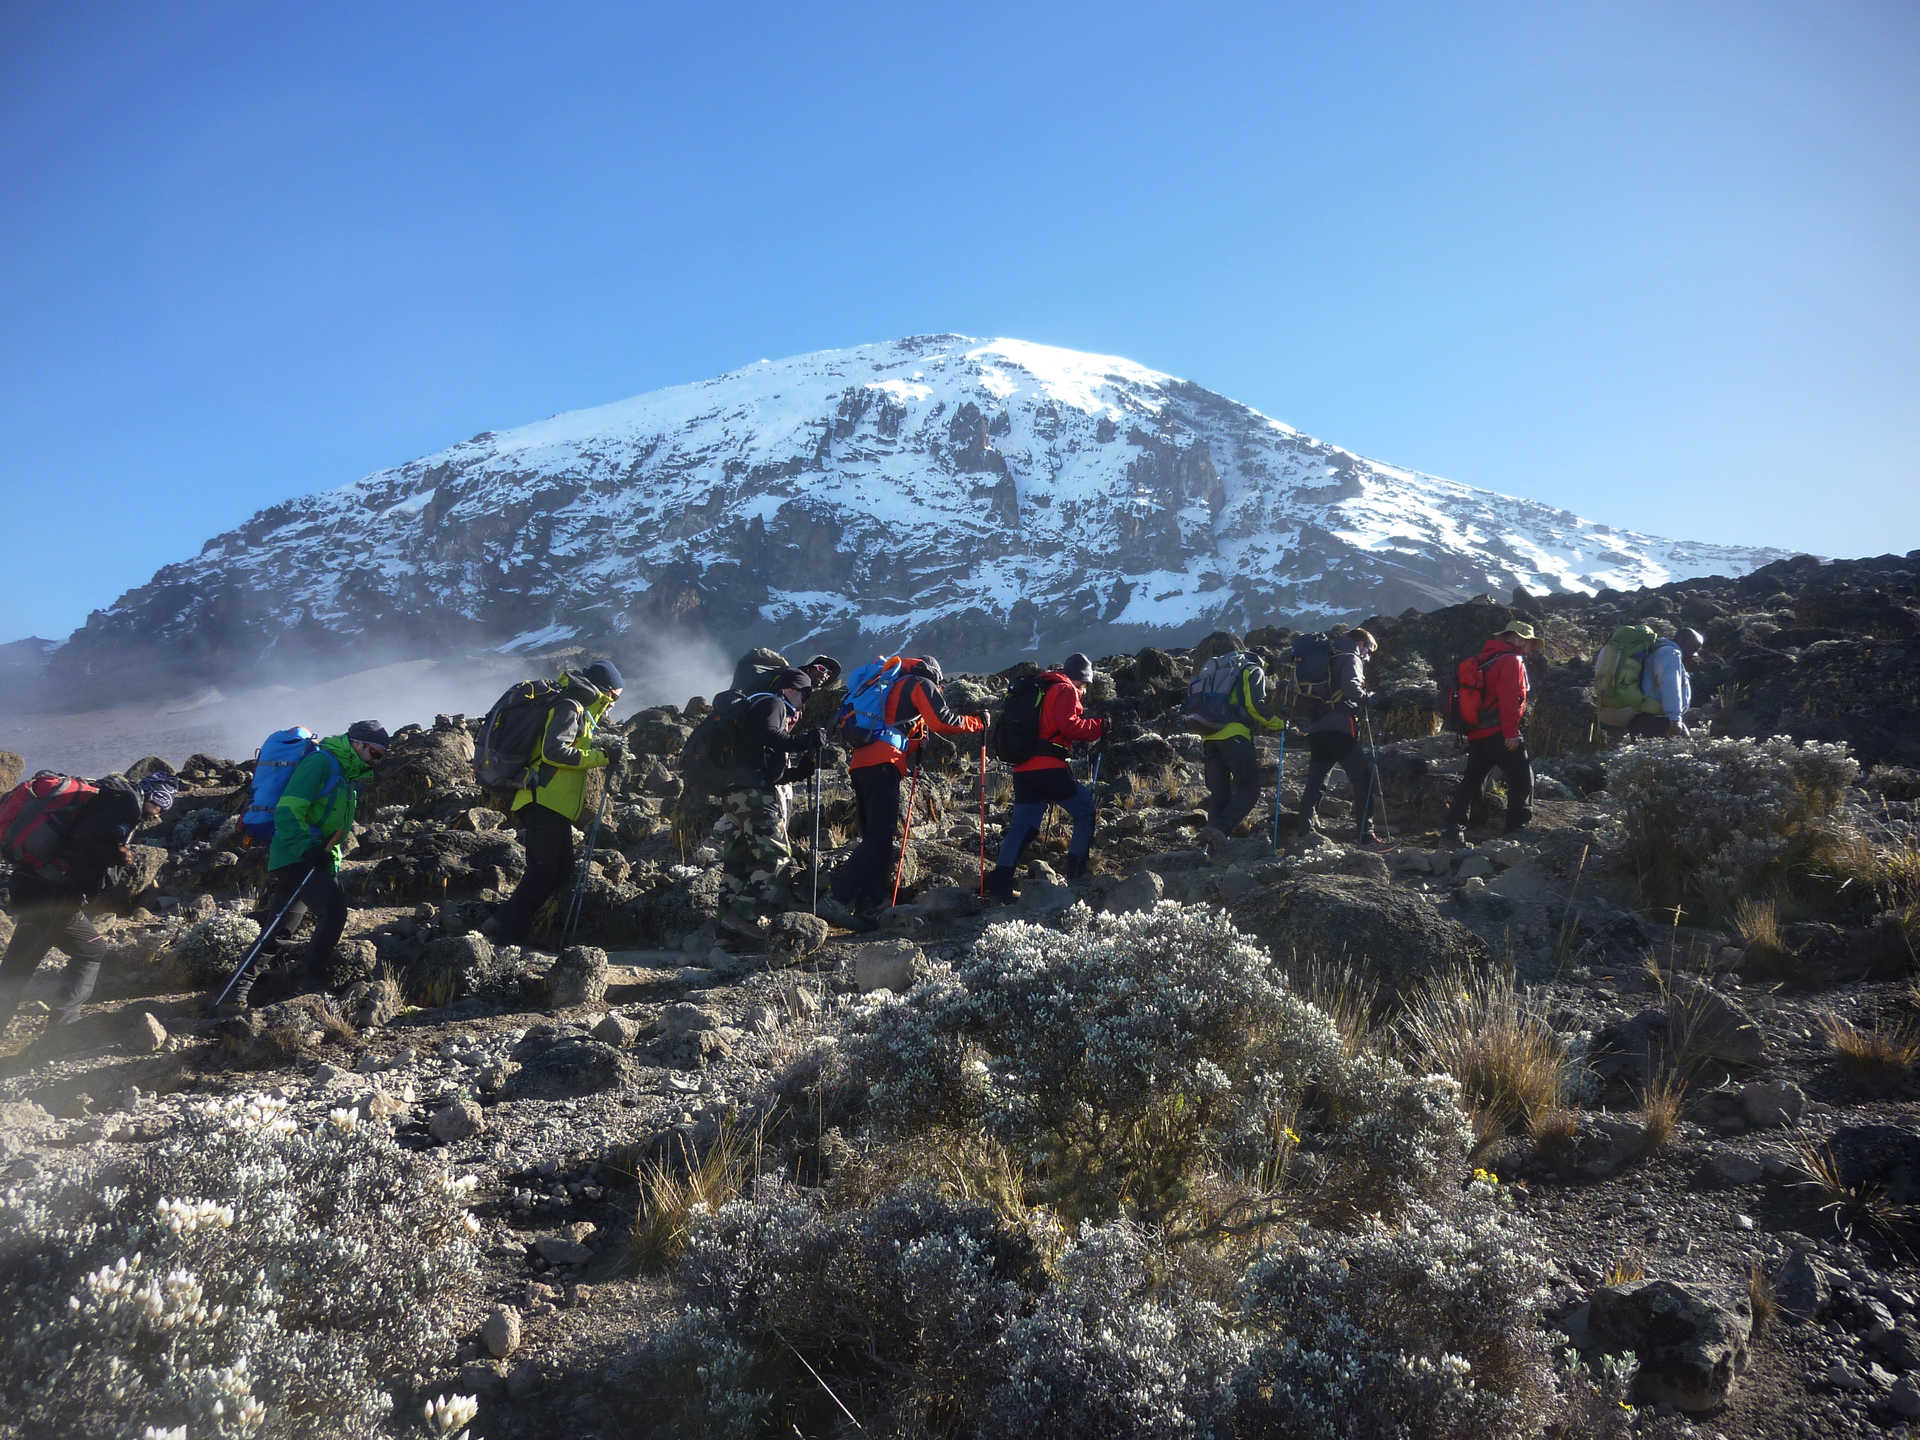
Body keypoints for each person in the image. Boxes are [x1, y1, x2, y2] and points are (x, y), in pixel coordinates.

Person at [221, 722, 389, 1010]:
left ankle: (237, 992)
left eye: (381, 755)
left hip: (313, 856)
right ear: (357, 744)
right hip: (297, 855)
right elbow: (289, 808)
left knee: (281, 926)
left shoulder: (346, 775)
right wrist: (307, 849)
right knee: (334, 910)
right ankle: (309, 981)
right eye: (374, 752)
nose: (376, 760)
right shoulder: (321, 763)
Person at [0, 772, 177, 1037]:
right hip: (55, 897)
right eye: (160, 805)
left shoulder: (107, 796)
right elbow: (91, 844)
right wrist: (120, 856)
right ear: (151, 796)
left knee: (18, 965)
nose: (158, 814)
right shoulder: (126, 805)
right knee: (91, 951)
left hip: (29, 884)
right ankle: (62, 1029)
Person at [828, 656, 984, 927]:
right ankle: (837, 899)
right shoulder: (919, 683)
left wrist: (913, 744)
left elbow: (889, 730)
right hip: (883, 764)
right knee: (879, 838)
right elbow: (943, 721)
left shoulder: (889, 685)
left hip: (861, 762)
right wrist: (978, 722)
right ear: (935, 674)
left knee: (874, 838)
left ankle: (869, 904)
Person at [489, 661, 625, 945]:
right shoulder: (571, 707)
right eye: (615, 695)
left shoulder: (580, 710)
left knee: (558, 871)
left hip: (550, 803)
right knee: (544, 872)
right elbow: (554, 752)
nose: (614, 703)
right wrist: (601, 758)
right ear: (606, 689)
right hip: (543, 799)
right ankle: (506, 938)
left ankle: (507, 925)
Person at [713, 667, 831, 941]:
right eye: (806, 693)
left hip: (735, 794)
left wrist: (798, 772)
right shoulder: (773, 703)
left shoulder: (756, 705)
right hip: (754, 796)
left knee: (738, 861)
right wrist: (805, 741)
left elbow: (766, 762)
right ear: (791, 689)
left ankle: (726, 932)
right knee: (776, 855)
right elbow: (770, 736)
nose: (806, 700)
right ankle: (742, 915)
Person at [985, 652, 1109, 898]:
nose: (1083, 691)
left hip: (1024, 769)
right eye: (1084, 685)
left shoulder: (1041, 688)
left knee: (1024, 826)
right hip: (1049, 769)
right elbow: (1070, 725)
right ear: (1079, 678)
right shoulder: (1065, 690)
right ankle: (1077, 874)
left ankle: (1000, 882)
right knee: (1084, 809)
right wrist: (1100, 726)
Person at [1442, 621, 1535, 845]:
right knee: (1523, 778)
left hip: (1477, 732)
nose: (1530, 646)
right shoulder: (1512, 661)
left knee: (1472, 780)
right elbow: (1510, 699)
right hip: (1500, 732)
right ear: (1518, 639)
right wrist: (1511, 733)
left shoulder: (1484, 659)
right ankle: (1516, 832)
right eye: (1528, 641)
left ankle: (1454, 830)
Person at [1294, 628, 1388, 846]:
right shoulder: (1350, 657)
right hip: (1340, 727)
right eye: (1369, 649)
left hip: (1317, 728)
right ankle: (1366, 835)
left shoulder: (1329, 654)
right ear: (1361, 642)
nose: (1369, 655)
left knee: (1316, 780)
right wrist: (1371, 699)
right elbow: (1351, 688)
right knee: (1363, 777)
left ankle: (1304, 832)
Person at [1197, 655, 1288, 849]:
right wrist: (1279, 724)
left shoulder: (1222, 670)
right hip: (1235, 735)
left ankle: (1208, 844)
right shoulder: (1252, 669)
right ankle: (1220, 830)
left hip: (1209, 736)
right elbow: (1254, 706)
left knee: (1220, 794)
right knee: (1249, 788)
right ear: (1262, 660)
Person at [1631, 628, 1704, 738]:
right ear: (1682, 640)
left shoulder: (1656, 650)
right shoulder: (1670, 653)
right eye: (1693, 647)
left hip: (1645, 718)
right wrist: (1675, 720)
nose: (1693, 653)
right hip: (1659, 721)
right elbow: (1670, 686)